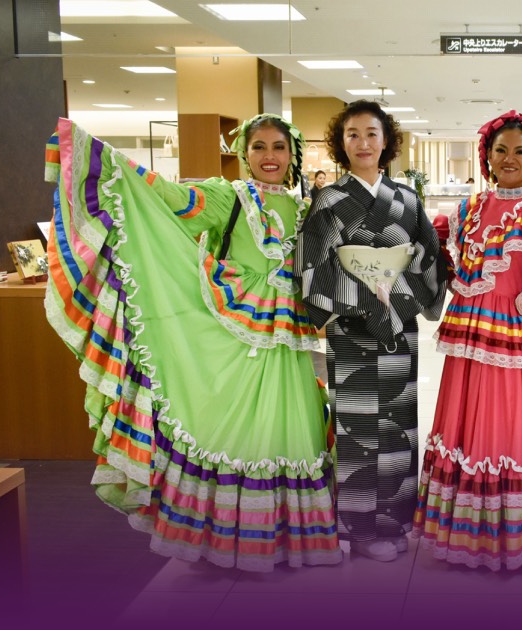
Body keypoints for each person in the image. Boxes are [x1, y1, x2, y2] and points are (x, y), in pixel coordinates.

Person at [44, 113, 342, 571]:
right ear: (244, 154)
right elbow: (172, 198)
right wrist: (115, 163)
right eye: (258, 147)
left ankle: (285, 536)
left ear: (293, 155)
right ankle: (229, 539)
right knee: (231, 428)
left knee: (292, 429)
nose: (269, 157)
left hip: (289, 343)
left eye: (278, 147)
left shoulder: (306, 209)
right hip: (236, 339)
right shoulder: (229, 196)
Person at [413, 111, 522, 570]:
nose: (508, 158)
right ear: (486, 156)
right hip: (471, 331)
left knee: (514, 422)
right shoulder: (469, 209)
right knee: (468, 418)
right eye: (500, 150)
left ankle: (520, 532)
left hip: (519, 330)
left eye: (519, 151)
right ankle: (471, 532)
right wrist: (449, 276)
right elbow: (441, 247)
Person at [299, 100, 447, 562]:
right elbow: (313, 266)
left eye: (371, 133)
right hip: (353, 326)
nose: (362, 143)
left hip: (398, 325)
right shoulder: (328, 200)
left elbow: (430, 259)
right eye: (352, 135)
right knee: (360, 427)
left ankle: (397, 520)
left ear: (387, 141)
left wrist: (397, 296)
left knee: (399, 422)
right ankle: (361, 528)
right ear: (341, 144)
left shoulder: (407, 199)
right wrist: (368, 300)